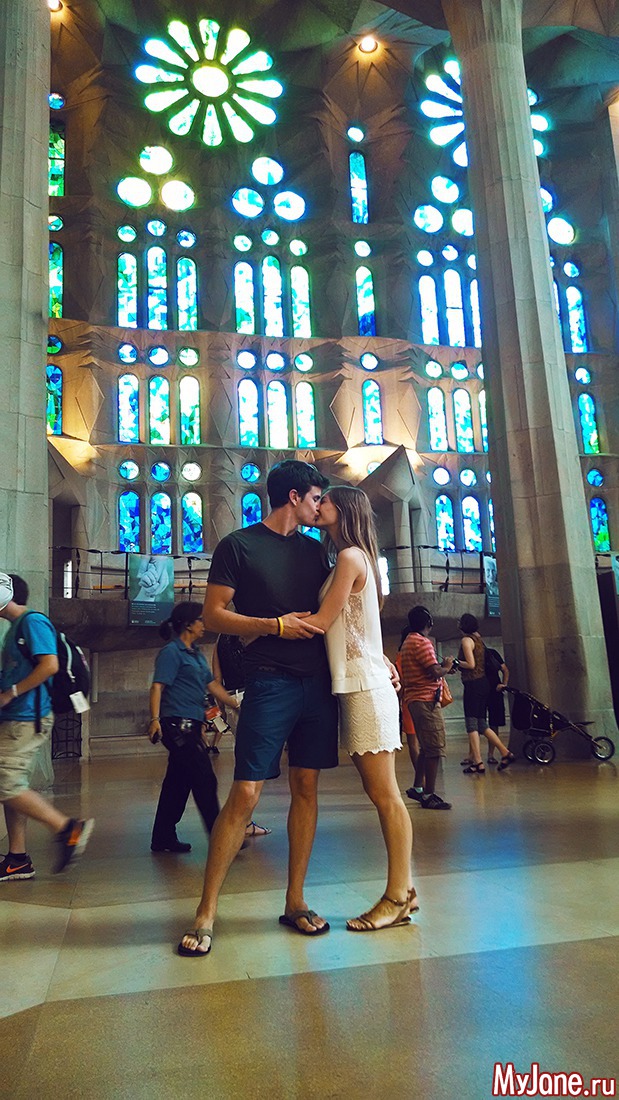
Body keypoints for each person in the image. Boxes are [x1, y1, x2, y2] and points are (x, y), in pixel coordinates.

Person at [177, 460, 337, 957]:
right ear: (294, 496)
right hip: (269, 680)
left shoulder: (316, 551)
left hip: (318, 682)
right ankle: (206, 912)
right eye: (315, 498)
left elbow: (341, 610)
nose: (319, 508)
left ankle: (295, 901)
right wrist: (274, 626)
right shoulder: (239, 546)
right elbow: (213, 616)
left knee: (306, 787)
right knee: (246, 792)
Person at [306, 486, 417, 931]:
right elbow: (361, 628)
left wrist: (263, 627)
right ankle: (405, 891)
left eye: (325, 501)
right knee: (382, 793)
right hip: (360, 681)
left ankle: (397, 896)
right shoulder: (351, 557)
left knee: (385, 795)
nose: (319, 506)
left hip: (365, 687)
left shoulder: (351, 557)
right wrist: (383, 659)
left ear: (345, 510)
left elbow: (322, 622)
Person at [0, 573, 94, 880]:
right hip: (17, 716)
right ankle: (17, 858)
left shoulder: (33, 621)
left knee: (5, 784)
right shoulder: (15, 628)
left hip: (28, 717)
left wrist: (11, 694)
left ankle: (67, 829)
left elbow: (50, 665)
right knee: (12, 785)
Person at [149, 602, 241, 853]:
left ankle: (162, 837)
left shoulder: (196, 653)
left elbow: (212, 685)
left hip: (191, 725)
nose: (204, 624)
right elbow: (157, 687)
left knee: (177, 783)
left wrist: (234, 704)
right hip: (176, 726)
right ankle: (221, 836)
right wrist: (154, 720)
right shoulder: (171, 652)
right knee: (204, 778)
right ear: (188, 624)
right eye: (200, 619)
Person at [208, 634, 271, 838]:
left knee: (244, 757)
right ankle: (244, 821)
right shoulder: (250, 631)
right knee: (256, 762)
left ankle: (242, 819)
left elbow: (216, 678)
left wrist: (222, 708)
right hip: (253, 693)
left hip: (230, 697)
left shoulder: (220, 639)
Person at [400, 605, 453, 810]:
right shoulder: (422, 642)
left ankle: (418, 788)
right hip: (426, 701)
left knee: (426, 747)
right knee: (434, 749)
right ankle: (429, 795)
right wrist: (446, 666)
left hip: (415, 700)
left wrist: (444, 669)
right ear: (428, 623)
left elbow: (428, 669)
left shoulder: (408, 641)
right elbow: (435, 672)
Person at [456, 614, 515, 774]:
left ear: (464, 625)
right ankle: (505, 753)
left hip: (473, 684)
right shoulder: (478, 639)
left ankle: (478, 762)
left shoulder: (466, 640)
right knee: (482, 724)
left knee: (471, 724)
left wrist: (454, 662)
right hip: (483, 684)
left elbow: (471, 664)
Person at [484, 647, 510, 764]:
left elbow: (505, 669)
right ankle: (477, 754)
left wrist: (504, 684)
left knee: (494, 723)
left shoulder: (491, 653)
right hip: (483, 690)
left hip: (493, 690)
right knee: (477, 723)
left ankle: (490, 754)